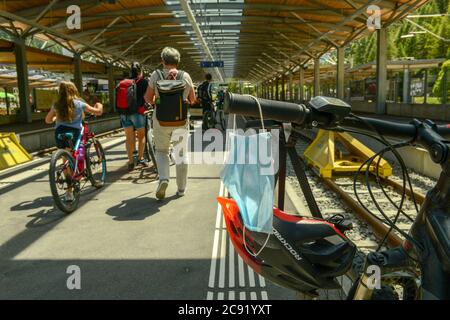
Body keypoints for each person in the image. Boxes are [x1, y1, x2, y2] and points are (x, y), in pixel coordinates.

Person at [145, 47, 196, 200]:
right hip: (180, 120)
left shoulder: (156, 75)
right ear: (178, 61)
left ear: (163, 61)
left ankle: (164, 179)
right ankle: (181, 189)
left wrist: (158, 101)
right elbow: (193, 99)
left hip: (161, 120)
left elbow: (148, 98)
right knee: (181, 154)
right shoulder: (185, 76)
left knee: (161, 151)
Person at [45, 81, 103, 201]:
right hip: (74, 133)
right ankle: (73, 183)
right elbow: (97, 112)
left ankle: (69, 192)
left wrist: (56, 117)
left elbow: (48, 120)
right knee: (73, 155)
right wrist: (99, 105)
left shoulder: (56, 105)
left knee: (65, 159)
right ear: (74, 90)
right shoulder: (79, 103)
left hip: (59, 133)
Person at [118, 62, 149, 171]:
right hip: (137, 113)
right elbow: (148, 97)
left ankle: (130, 162)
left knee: (129, 138)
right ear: (140, 71)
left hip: (124, 113)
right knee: (141, 137)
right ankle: (140, 159)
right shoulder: (144, 82)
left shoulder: (124, 82)